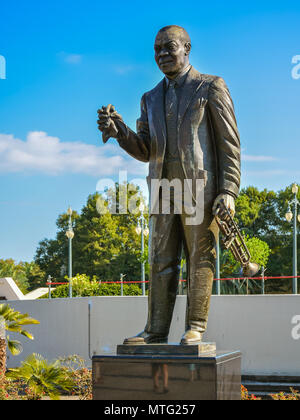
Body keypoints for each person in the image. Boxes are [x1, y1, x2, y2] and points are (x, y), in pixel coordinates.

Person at [97, 25, 240, 345]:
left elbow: (229, 144)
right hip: (162, 190)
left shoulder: (211, 87)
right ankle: (155, 331)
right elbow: (145, 150)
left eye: (169, 47)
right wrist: (121, 132)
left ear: (187, 48)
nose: (161, 54)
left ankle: (195, 327)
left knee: (199, 258)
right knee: (160, 260)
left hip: (201, 190)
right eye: (157, 49)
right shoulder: (149, 98)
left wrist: (229, 190)